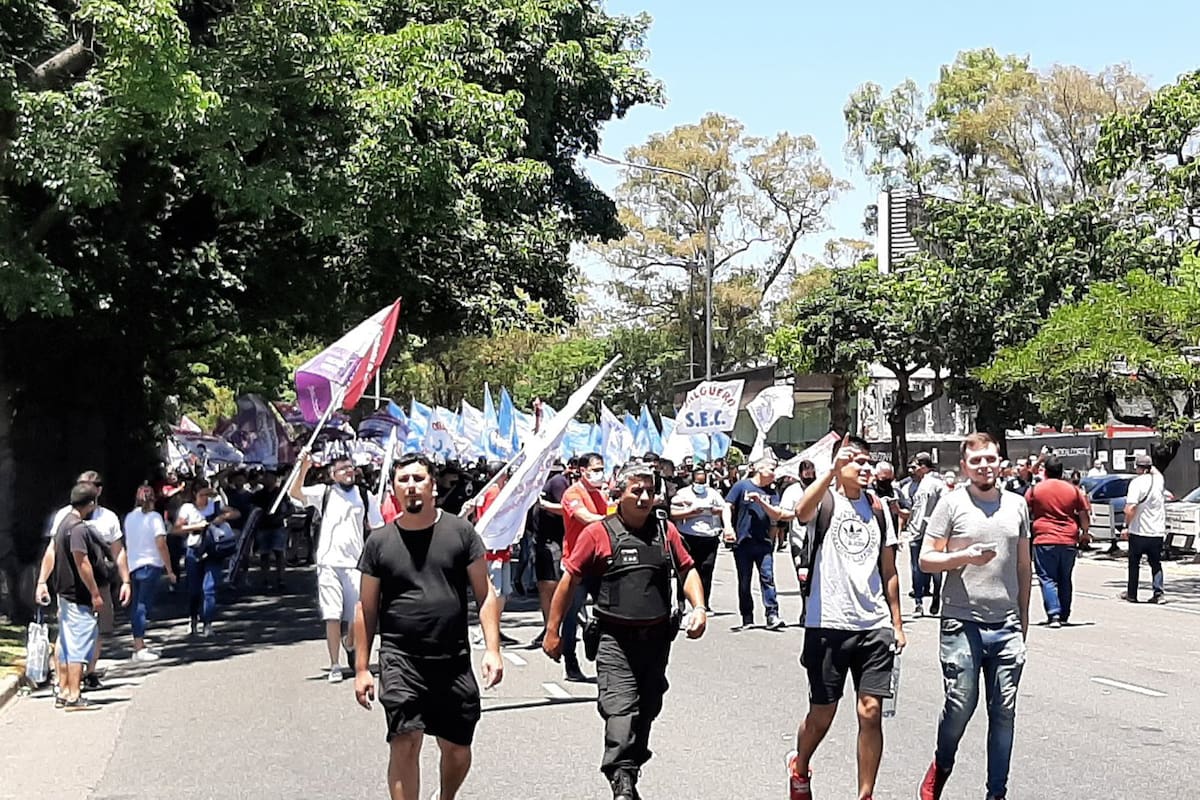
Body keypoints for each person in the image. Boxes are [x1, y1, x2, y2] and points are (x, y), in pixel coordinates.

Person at [543, 463, 706, 800]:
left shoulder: (664, 531)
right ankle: (621, 779)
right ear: (619, 493)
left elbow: (687, 569)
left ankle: (630, 769)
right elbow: (569, 581)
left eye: (650, 491)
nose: (644, 497)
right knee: (620, 709)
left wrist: (699, 608)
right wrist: (552, 629)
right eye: (637, 490)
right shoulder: (598, 533)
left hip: (656, 640)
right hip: (613, 639)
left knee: (647, 708)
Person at [353, 454, 503, 800]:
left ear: (433, 486)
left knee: (457, 749)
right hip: (400, 659)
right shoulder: (379, 542)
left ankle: (446, 797)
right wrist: (362, 668)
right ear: (393, 490)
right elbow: (366, 608)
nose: (411, 486)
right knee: (404, 741)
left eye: (418, 479)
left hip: (452, 660)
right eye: (403, 480)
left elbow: (485, 594)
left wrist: (493, 650)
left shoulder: (461, 533)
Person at [785, 435, 904, 800]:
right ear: (839, 465)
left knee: (870, 712)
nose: (865, 468)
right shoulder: (825, 501)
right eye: (857, 462)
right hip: (828, 623)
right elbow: (801, 512)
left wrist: (897, 624)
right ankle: (800, 766)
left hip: (874, 625)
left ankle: (865, 794)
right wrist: (830, 473)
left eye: (869, 462)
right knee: (822, 713)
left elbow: (889, 569)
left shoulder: (880, 509)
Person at [917, 433, 1032, 800]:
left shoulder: (1017, 505)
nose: (985, 466)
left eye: (990, 459)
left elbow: (1024, 566)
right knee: (960, 703)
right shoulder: (951, 504)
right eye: (977, 460)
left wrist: (1023, 619)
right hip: (961, 621)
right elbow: (925, 559)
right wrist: (964, 557)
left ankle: (997, 793)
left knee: (1004, 711)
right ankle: (942, 764)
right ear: (965, 466)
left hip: (1006, 624)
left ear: (1000, 462)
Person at [291, 451, 383, 681]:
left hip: (355, 563)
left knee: (356, 616)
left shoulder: (365, 495)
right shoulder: (325, 492)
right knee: (332, 615)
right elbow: (295, 493)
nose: (348, 472)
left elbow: (378, 528)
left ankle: (349, 642)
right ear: (333, 475)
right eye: (342, 469)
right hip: (328, 563)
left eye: (350, 467)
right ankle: (334, 664)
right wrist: (303, 467)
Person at [44, 483, 129, 710]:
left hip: (65, 593)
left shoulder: (63, 523)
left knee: (67, 644)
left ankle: (63, 691)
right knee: (78, 647)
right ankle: (74, 695)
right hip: (77, 595)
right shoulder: (78, 529)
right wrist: (94, 593)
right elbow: (82, 562)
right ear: (90, 504)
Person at [557, 452, 609, 681]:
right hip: (576, 564)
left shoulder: (599, 495)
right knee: (570, 617)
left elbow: (608, 512)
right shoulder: (572, 494)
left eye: (601, 469)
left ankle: (603, 658)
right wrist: (613, 518)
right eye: (595, 469)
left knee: (606, 613)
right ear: (582, 470)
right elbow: (586, 517)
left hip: (599, 564)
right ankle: (570, 662)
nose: (599, 473)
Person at [1026, 456, 1090, 626]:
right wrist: (1085, 532)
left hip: (1044, 538)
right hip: (1069, 539)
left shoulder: (1036, 490)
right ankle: (1064, 614)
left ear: (1045, 472)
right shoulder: (1073, 490)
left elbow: (1024, 509)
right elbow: (1083, 513)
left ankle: (1053, 614)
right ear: (1062, 472)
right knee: (1065, 577)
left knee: (1047, 577)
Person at [724, 457, 786, 631]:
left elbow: (776, 514)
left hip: (764, 543)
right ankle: (747, 616)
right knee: (744, 581)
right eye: (771, 469)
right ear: (760, 469)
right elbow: (727, 506)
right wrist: (728, 527)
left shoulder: (772, 492)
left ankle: (772, 614)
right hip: (743, 542)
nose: (774, 473)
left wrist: (761, 501)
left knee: (768, 578)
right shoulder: (742, 486)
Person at [173, 480, 241, 637]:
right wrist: (196, 526)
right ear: (195, 494)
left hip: (213, 550)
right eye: (202, 495)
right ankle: (193, 619)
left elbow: (236, 513)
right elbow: (176, 529)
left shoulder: (215, 505)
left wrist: (222, 517)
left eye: (207, 494)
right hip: (195, 550)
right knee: (194, 590)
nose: (205, 498)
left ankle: (208, 623)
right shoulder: (187, 508)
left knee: (209, 588)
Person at [124, 484, 177, 660]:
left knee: (137, 606)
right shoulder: (155, 518)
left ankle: (139, 644)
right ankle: (139, 647)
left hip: (133, 565)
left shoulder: (129, 518)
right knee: (143, 606)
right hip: (151, 564)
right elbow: (161, 544)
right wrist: (169, 569)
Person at [669, 465, 728, 612]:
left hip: (709, 536)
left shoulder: (713, 494)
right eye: (698, 482)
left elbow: (726, 508)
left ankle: (704, 603)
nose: (700, 485)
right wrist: (691, 512)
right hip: (689, 536)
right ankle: (681, 603)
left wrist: (716, 511)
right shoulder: (683, 494)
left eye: (703, 482)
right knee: (686, 569)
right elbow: (673, 514)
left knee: (706, 569)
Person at [531, 461, 571, 649]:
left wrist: (545, 506)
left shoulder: (557, 481)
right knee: (544, 586)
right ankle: (549, 626)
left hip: (552, 543)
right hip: (541, 541)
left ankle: (555, 628)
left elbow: (567, 509)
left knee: (551, 586)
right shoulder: (541, 482)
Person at [1120, 451, 1167, 604]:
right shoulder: (1159, 480)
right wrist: (1149, 464)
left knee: (1134, 563)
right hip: (1157, 530)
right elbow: (1156, 472)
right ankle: (1158, 593)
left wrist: (1125, 526)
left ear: (1138, 467)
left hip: (1139, 530)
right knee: (1156, 563)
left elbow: (1130, 508)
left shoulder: (1136, 483)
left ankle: (1132, 593)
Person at [252, 471, 290, 591]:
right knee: (264, 554)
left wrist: (283, 516)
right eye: (266, 477)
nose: (267, 479)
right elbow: (253, 508)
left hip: (278, 526)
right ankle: (265, 578)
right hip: (263, 526)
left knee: (279, 553)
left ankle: (281, 578)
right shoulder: (258, 494)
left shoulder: (281, 493)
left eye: (269, 477)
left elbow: (290, 508)